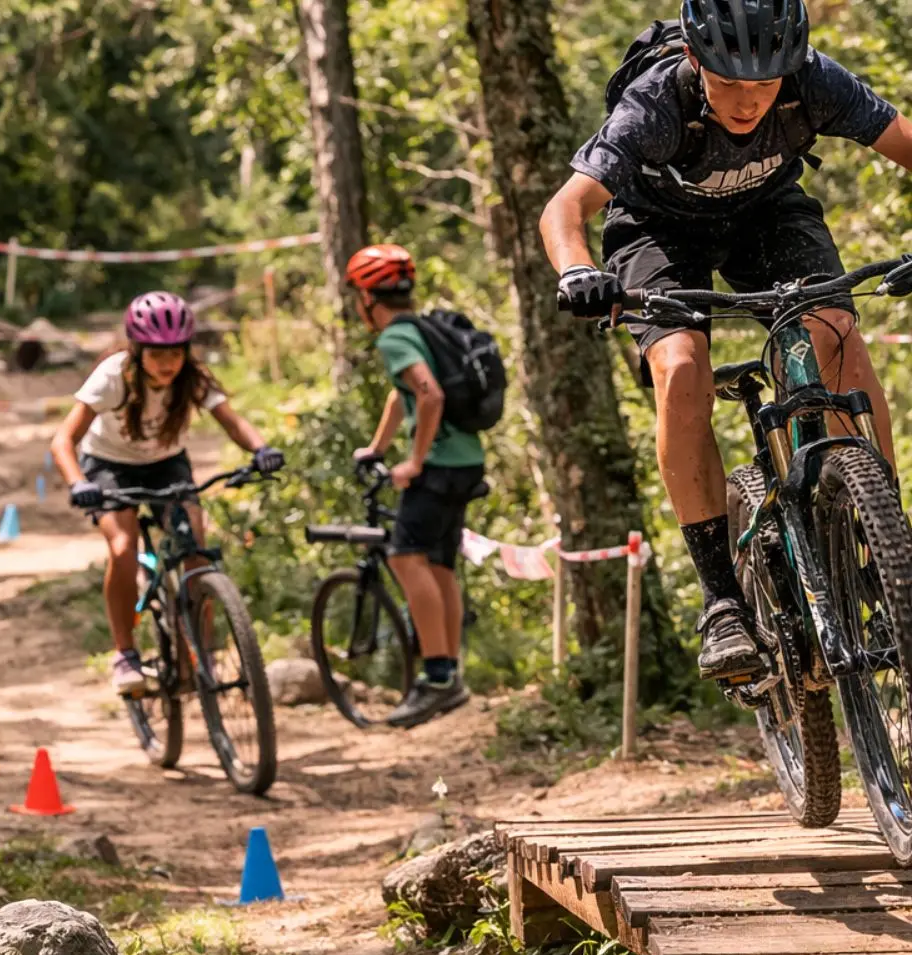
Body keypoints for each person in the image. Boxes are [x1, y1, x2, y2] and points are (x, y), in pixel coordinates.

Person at [541, 0, 912, 682]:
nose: (748, 101)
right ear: (693, 60)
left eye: (764, 86)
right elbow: (564, 207)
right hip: (659, 231)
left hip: (767, 216)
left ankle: (885, 552)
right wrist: (577, 270)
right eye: (728, 83)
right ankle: (721, 602)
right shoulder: (655, 104)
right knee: (681, 369)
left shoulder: (815, 82)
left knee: (834, 330)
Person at [49, 291, 283, 696]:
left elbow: (231, 421)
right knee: (122, 547)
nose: (167, 364)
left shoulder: (193, 378)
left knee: (195, 550)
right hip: (108, 466)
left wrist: (261, 449)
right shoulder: (112, 375)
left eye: (175, 354)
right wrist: (78, 483)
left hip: (166, 464)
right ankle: (125, 654)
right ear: (138, 350)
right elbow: (63, 439)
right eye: (157, 355)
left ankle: (201, 650)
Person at [346, 245, 485, 729]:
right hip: (467, 462)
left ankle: (437, 677)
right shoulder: (422, 328)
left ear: (367, 298)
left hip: (439, 466)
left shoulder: (394, 339)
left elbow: (428, 394)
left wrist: (413, 461)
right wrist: (377, 446)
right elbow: (402, 392)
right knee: (440, 563)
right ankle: (451, 677)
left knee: (405, 558)